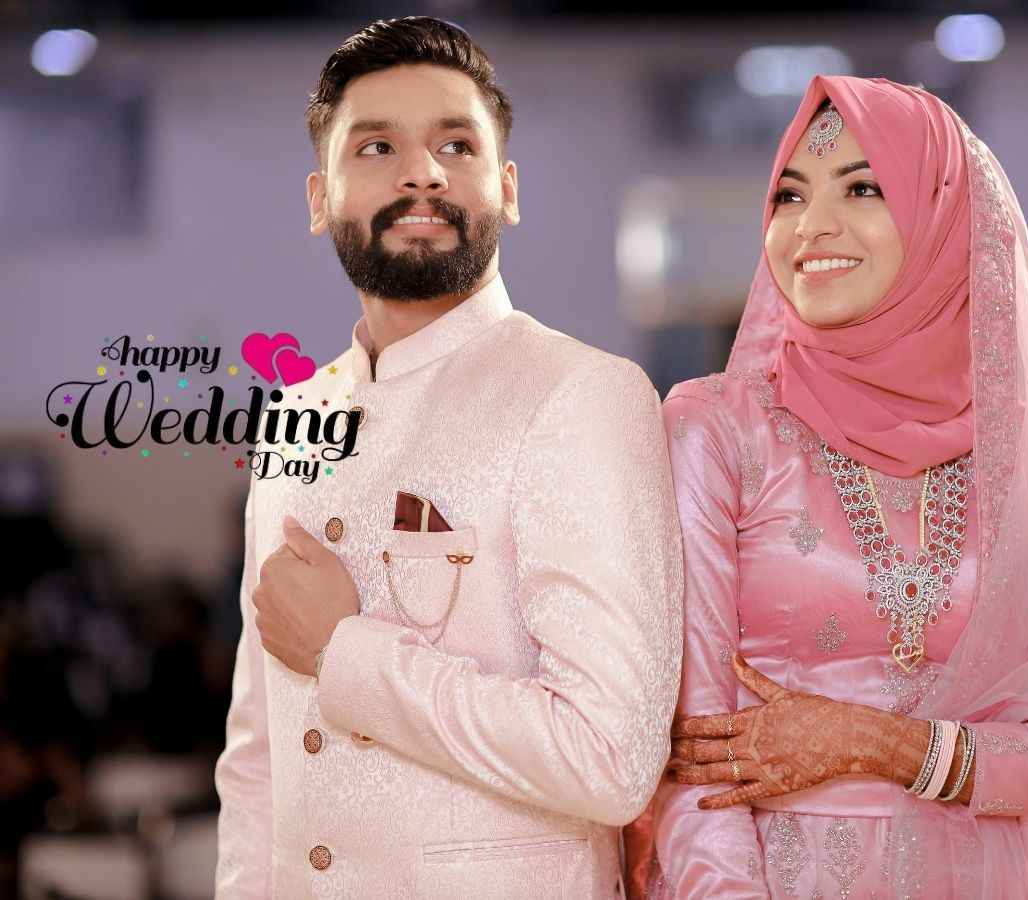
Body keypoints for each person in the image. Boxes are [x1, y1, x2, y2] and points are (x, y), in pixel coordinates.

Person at [641, 75, 1028, 898]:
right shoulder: (717, 430)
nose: (812, 228)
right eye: (788, 197)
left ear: (944, 214)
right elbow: (691, 762)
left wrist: (879, 745)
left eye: (865, 188)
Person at [214, 17, 683, 898]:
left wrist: (345, 653)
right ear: (320, 199)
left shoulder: (580, 394)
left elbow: (611, 759)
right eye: (377, 145)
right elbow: (258, 757)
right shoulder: (295, 416)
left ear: (506, 188)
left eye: (455, 145)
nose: (421, 171)